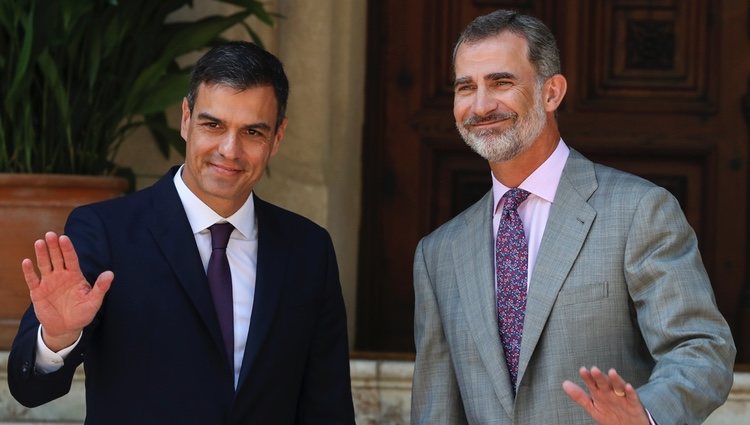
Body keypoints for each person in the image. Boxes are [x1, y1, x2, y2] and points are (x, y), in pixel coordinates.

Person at [411, 9, 735, 425]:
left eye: (501, 82)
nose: (480, 105)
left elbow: (701, 347)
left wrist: (647, 414)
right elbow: (435, 410)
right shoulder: (438, 253)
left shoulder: (638, 211)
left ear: (551, 93)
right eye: (465, 87)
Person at [8, 41, 355, 424]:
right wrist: (56, 340)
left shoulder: (308, 249)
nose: (229, 149)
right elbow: (30, 389)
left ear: (278, 137)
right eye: (213, 124)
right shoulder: (106, 231)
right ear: (186, 118)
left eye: (253, 132)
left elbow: (328, 406)